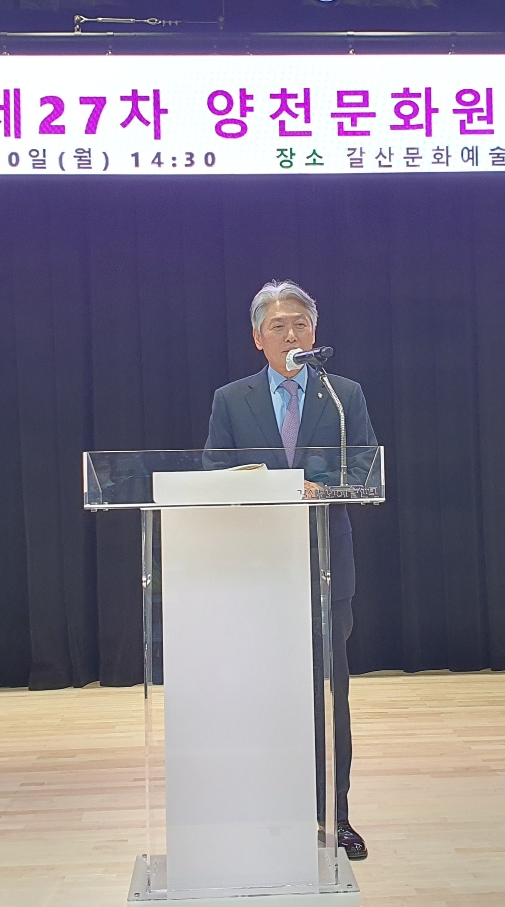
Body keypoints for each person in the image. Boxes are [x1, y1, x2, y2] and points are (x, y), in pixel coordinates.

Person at [203, 279, 378, 861]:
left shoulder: (342, 395)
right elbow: (215, 476)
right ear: (258, 338)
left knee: (329, 695)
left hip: (328, 568)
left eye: (300, 323)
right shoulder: (232, 400)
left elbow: (365, 472)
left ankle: (336, 816)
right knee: (262, 693)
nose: (290, 334)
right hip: (257, 569)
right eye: (277, 326)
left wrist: (321, 489)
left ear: (314, 332)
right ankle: (268, 811)